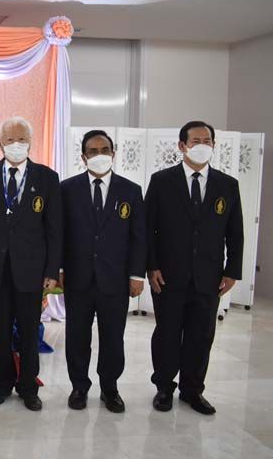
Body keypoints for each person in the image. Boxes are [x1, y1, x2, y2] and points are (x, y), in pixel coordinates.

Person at [146, 121, 243, 415]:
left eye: (207, 141)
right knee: (167, 333)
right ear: (182, 146)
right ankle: (164, 388)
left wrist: (232, 270)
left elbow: (235, 232)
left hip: (209, 277)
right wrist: (151, 266)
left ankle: (193, 390)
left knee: (201, 335)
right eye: (196, 141)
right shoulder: (162, 181)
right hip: (168, 276)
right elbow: (148, 229)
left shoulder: (227, 185)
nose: (202, 145)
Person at [60, 130, 146, 413]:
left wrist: (137, 275)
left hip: (115, 279)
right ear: (83, 156)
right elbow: (59, 234)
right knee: (77, 336)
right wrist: (59, 268)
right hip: (78, 277)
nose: (100, 155)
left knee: (113, 337)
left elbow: (139, 237)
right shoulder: (67, 189)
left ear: (113, 153)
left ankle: (110, 388)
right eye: (93, 151)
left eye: (105, 150)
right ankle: (79, 387)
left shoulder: (130, 190)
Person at [0, 116, 62, 411]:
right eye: (10, 139)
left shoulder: (47, 177)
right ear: (0, 144)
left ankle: (29, 387)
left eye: (22, 139)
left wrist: (52, 270)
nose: (16, 144)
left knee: (29, 330)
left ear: (30, 142)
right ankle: (1, 383)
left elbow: (54, 228)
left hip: (31, 269)